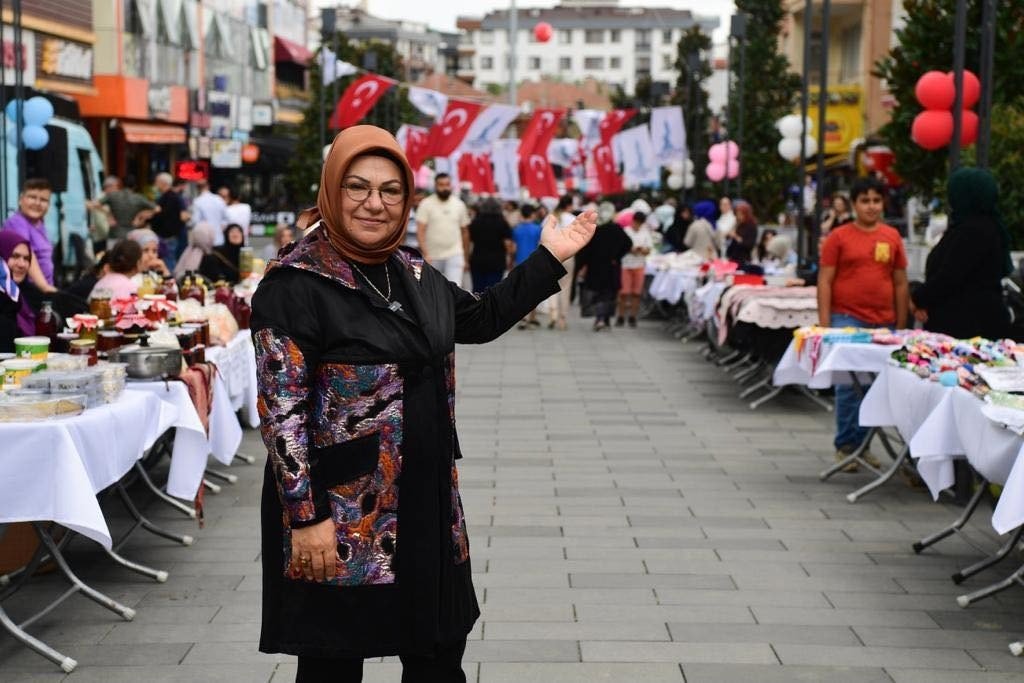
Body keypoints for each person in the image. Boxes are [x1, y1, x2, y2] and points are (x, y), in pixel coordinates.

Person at [251, 125, 596, 683]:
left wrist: (549, 258)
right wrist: (305, 517)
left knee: (438, 654)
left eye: (390, 191)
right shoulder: (295, 283)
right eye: (357, 187)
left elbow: (480, 319)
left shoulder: (412, 272)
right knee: (333, 664)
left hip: (427, 504)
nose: (374, 203)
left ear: (407, 200)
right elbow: (281, 412)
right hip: (345, 512)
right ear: (331, 191)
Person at [818, 177, 908, 471]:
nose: (871, 206)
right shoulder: (839, 237)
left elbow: (899, 282)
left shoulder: (892, 237)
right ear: (854, 204)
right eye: (865, 201)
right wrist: (825, 324)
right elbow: (825, 280)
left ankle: (864, 446)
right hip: (847, 319)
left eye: (876, 201)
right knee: (849, 386)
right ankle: (846, 447)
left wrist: (902, 323)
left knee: (875, 388)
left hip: (884, 321)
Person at [910, 167, 1011, 340]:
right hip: (968, 324)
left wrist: (917, 299)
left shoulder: (974, 230)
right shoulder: (979, 225)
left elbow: (949, 276)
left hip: (969, 329)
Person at [576, 202, 634, 331]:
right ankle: (603, 319)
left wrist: (581, 266)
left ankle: (601, 318)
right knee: (609, 293)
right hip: (611, 267)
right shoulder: (617, 229)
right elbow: (628, 244)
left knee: (600, 292)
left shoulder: (594, 229)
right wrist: (616, 257)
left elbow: (585, 250)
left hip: (595, 267)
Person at [2, 178, 57, 293]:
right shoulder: (17, 222)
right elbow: (27, 252)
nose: (37, 203)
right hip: (30, 291)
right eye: (32, 197)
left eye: (43, 200)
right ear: (21, 199)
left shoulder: (40, 224)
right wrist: (45, 287)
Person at [416, 173, 470, 285]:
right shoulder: (426, 204)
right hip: (432, 256)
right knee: (433, 291)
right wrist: (425, 253)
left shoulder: (459, 205)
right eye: (441, 185)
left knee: (454, 291)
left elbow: (465, 232)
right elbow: (420, 231)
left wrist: (465, 258)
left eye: (447, 184)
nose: (444, 188)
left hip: (454, 254)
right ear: (435, 186)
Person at [466, 197, 514, 294]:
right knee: (493, 292)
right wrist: (511, 258)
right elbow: (508, 244)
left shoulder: (475, 222)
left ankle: (477, 308)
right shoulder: (503, 223)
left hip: (477, 261)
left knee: (477, 291)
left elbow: (469, 242)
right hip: (497, 262)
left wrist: (466, 259)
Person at [544, 195, 577, 330]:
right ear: (569, 205)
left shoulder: (550, 218)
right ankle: (562, 319)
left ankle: (552, 314)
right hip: (568, 256)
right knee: (566, 287)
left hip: (550, 255)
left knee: (550, 286)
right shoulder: (572, 219)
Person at [616, 211, 654, 327]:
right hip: (626, 264)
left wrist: (642, 250)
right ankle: (621, 316)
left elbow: (649, 249)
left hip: (639, 265)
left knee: (636, 293)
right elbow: (621, 248)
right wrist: (630, 249)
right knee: (624, 293)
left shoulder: (645, 232)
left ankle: (633, 316)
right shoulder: (626, 231)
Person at [0, 231, 37, 349]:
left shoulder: (29, 294)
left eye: (26, 258)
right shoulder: (5, 300)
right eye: (15, 256)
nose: (22, 264)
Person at [149, 172, 189, 271]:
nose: (155, 185)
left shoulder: (173, 197)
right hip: (166, 235)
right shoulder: (165, 197)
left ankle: (170, 283)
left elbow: (183, 217)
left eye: (157, 182)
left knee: (169, 263)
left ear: (163, 183)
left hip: (169, 237)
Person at [512, 204, 544, 329]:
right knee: (534, 291)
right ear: (532, 214)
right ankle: (532, 317)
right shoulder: (538, 229)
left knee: (521, 291)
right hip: (534, 262)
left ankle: (523, 317)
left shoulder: (516, 229)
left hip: (519, 262)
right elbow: (540, 245)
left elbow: (513, 248)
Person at [99, 175, 157, 241]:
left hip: (115, 234)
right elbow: (157, 209)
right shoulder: (138, 198)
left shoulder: (112, 195)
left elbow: (93, 205)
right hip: (131, 236)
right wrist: (140, 218)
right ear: (135, 186)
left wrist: (108, 215)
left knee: (112, 251)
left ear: (121, 185)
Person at [191, 180, 229, 245]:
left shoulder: (197, 201)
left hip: (204, 241)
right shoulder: (219, 199)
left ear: (197, 188)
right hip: (219, 239)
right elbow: (226, 219)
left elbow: (195, 222)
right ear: (208, 186)